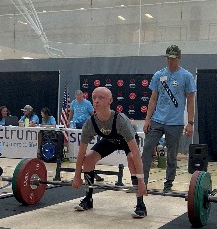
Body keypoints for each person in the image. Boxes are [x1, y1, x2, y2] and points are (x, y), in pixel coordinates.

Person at [72, 87, 148, 218]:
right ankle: (88, 199)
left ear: (110, 101)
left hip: (126, 142)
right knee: (88, 159)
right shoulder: (90, 123)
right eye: (94, 98)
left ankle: (140, 204)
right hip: (110, 141)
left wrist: (141, 181)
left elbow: (135, 153)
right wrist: (77, 175)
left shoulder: (120, 120)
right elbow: (81, 152)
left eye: (101, 98)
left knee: (131, 161)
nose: (96, 101)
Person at [142, 45, 197, 191]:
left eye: (173, 58)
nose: (170, 61)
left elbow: (191, 101)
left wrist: (190, 123)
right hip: (157, 120)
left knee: (172, 155)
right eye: (168, 58)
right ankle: (143, 181)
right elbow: (153, 99)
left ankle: (168, 184)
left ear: (179, 57)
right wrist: (147, 119)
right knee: (147, 149)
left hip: (175, 123)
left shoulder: (186, 76)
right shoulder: (158, 75)